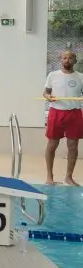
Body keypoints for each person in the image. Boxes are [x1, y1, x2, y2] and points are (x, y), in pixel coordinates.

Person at [43, 49, 83, 186]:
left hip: (74, 113)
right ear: (61, 60)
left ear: (75, 60)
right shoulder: (53, 75)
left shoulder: (80, 77)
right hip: (56, 112)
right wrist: (49, 97)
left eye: (70, 58)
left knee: (73, 146)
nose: (67, 60)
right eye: (64, 58)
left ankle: (68, 177)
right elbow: (46, 92)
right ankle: (49, 175)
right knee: (52, 144)